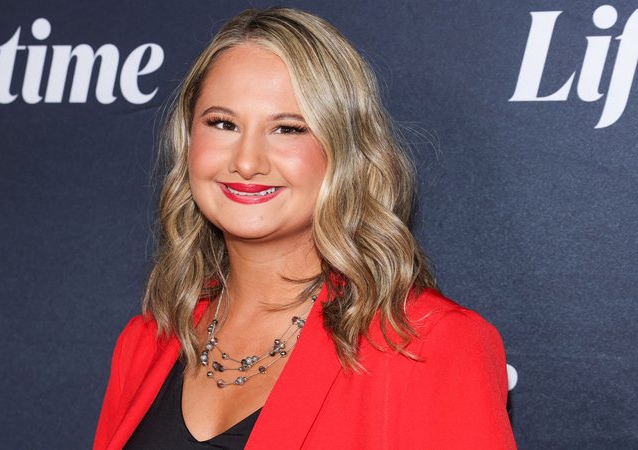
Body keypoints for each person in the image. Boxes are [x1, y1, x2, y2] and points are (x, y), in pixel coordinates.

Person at [93, 7, 516, 450]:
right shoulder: (146, 342)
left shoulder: (432, 343)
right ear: (188, 142)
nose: (246, 162)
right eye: (223, 123)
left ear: (345, 152)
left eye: (288, 129)